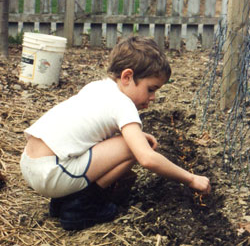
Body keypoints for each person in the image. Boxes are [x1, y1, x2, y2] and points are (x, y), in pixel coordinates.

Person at [20, 36, 211, 231]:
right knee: (136, 148)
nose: (153, 97)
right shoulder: (123, 104)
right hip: (53, 174)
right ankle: (82, 208)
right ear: (127, 77)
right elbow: (147, 159)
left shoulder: (97, 87)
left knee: (134, 142)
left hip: (31, 164)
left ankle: (64, 202)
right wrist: (191, 178)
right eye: (151, 89)